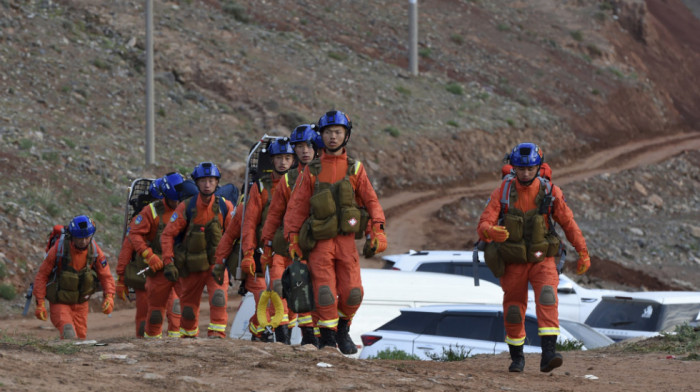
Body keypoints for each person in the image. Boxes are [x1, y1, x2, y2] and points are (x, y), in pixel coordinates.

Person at [477, 142, 590, 373]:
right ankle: (517, 358)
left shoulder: (550, 192)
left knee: (548, 299)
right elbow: (483, 223)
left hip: (542, 259)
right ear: (513, 167)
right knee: (513, 310)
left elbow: (568, 223)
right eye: (521, 168)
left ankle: (548, 354)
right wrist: (490, 231)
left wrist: (583, 252)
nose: (526, 173)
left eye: (530, 169)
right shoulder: (503, 192)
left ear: (539, 167)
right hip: (513, 262)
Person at [284, 110, 387, 354]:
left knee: (353, 293)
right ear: (321, 135)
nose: (333, 137)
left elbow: (372, 202)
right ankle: (329, 340)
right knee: (324, 293)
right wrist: (293, 240)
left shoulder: (356, 169)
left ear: (346, 135)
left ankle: (343, 327)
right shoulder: (311, 171)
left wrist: (378, 231)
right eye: (328, 132)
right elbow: (296, 208)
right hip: (319, 244)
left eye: (337, 132)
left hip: (346, 242)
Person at [259, 125, 322, 346]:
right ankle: (281, 337)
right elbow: (270, 218)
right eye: (300, 147)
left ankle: (313, 338)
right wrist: (262, 249)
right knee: (279, 289)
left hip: (312, 247)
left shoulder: (326, 175)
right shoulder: (279, 184)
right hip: (282, 246)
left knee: (315, 291)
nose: (305, 151)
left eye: (309, 146)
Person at [160, 162, 234, 338]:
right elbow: (167, 235)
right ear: (196, 183)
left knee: (218, 297)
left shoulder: (225, 206)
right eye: (203, 181)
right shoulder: (186, 207)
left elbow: (234, 234)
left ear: (217, 183)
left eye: (211, 180)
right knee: (188, 308)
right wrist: (168, 261)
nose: (207, 185)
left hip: (216, 264)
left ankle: (217, 335)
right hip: (192, 265)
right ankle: (188, 337)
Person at [240, 137, 297, 342]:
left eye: (288, 158)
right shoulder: (261, 187)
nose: (283, 162)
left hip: (294, 247)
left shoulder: (300, 183)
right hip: (269, 250)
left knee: (293, 299)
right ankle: (281, 339)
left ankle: (258, 328)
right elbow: (250, 223)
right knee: (278, 293)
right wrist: (248, 253)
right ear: (272, 160)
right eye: (279, 158)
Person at [120, 173, 185, 338]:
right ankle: (145, 344)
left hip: (175, 268)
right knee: (149, 313)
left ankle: (177, 343)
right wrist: (121, 277)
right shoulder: (149, 213)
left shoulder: (188, 209)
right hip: (150, 271)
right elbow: (129, 245)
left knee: (176, 308)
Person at [33, 215, 115, 339]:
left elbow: (106, 276)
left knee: (81, 338)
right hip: (60, 302)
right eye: (79, 238)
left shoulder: (95, 251)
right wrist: (40, 303)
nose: (83, 242)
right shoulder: (59, 249)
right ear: (72, 236)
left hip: (81, 304)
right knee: (68, 332)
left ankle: (64, 358)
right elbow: (42, 275)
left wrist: (109, 297)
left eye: (86, 238)